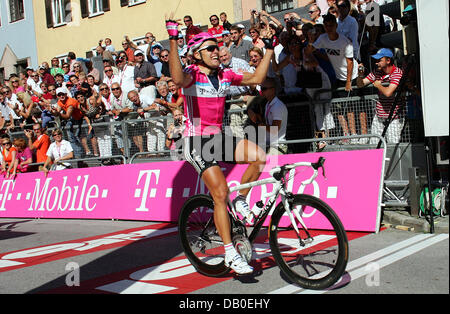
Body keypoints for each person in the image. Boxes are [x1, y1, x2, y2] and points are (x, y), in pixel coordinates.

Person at [166, 12, 275, 274]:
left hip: (217, 137)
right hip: (196, 142)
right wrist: (173, 39)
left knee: (259, 156)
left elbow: (257, 79)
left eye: (218, 46)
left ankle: (241, 200)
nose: (217, 51)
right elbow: (177, 80)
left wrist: (269, 48)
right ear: (196, 54)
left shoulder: (225, 75)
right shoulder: (191, 74)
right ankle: (229, 253)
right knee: (220, 193)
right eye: (210, 48)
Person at [357, 48, 404, 144]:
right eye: (376, 60)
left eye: (379, 60)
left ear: (388, 61)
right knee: (374, 145)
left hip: (394, 117)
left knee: (392, 145)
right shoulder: (377, 71)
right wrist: (360, 75)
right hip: (379, 116)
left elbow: (388, 93)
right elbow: (360, 84)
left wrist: (378, 85)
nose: (376, 63)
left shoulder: (397, 73)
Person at [259, 78, 288, 155]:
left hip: (278, 145)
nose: (262, 91)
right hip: (271, 145)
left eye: (264, 89)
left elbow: (275, 129)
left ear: (273, 90)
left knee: (268, 166)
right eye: (261, 88)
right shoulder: (268, 104)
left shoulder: (277, 106)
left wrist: (262, 125)